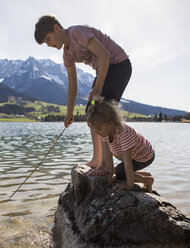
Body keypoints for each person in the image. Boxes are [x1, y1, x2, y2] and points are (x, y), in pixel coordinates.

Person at [34, 15, 132, 168]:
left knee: (101, 113)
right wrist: (69, 113)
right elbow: (73, 85)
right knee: (91, 110)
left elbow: (105, 56)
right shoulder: (67, 53)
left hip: (118, 65)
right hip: (105, 71)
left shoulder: (77, 33)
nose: (48, 45)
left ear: (56, 28)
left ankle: (106, 164)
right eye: (45, 43)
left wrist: (98, 87)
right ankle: (98, 159)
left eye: (48, 39)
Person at [86, 96, 155, 193]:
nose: (96, 132)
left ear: (111, 123)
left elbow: (128, 164)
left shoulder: (124, 134)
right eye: (94, 129)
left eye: (99, 129)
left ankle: (147, 181)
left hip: (144, 156)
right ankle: (145, 175)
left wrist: (129, 184)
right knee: (117, 172)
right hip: (132, 157)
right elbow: (107, 154)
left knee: (121, 173)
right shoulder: (105, 132)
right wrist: (110, 173)